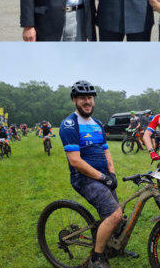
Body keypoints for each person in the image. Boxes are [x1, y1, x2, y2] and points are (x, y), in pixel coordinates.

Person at [59, 81, 136, 268]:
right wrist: (102, 178)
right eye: (83, 98)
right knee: (115, 215)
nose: (87, 101)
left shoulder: (97, 123)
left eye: (90, 98)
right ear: (74, 100)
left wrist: (112, 174)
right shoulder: (69, 124)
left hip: (103, 175)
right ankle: (97, 258)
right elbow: (75, 161)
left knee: (117, 214)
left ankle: (114, 248)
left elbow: (106, 151)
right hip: (83, 178)